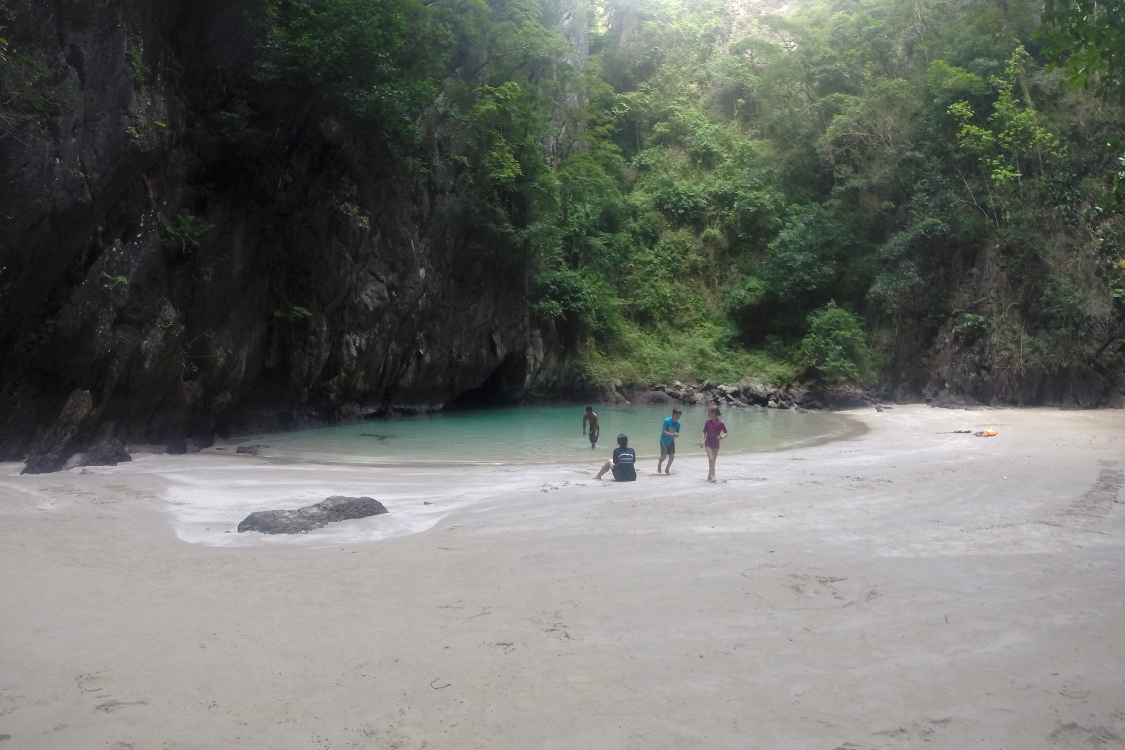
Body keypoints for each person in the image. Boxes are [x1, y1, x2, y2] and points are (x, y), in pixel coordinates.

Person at [700, 406, 728, 483]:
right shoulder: (707, 422)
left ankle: (710, 473)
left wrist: (721, 437)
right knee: (711, 459)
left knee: (713, 460)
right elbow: (704, 432)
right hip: (708, 442)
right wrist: (702, 440)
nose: (707, 414)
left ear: (714, 413)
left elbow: (726, 432)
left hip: (716, 443)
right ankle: (713, 475)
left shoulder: (720, 423)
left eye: (709, 413)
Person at [657, 407, 682, 475]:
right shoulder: (667, 420)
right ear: (672, 414)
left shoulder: (678, 424)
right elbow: (663, 431)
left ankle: (667, 469)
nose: (677, 418)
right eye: (676, 416)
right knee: (664, 455)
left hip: (671, 442)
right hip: (663, 441)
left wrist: (676, 435)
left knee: (672, 456)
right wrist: (671, 434)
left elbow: (677, 433)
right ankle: (659, 464)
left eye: (679, 417)